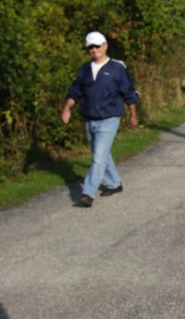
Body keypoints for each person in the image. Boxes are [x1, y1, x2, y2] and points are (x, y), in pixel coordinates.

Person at [61, 31, 139, 207]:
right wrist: (67, 108)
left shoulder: (117, 69)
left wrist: (133, 114)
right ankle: (114, 183)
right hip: (89, 118)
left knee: (98, 158)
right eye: (91, 47)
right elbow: (75, 91)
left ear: (105, 46)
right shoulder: (85, 70)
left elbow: (129, 92)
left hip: (109, 117)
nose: (94, 49)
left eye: (97, 46)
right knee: (101, 154)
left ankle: (87, 193)